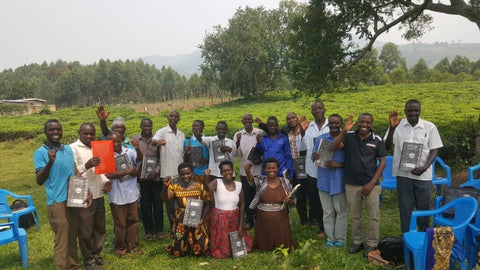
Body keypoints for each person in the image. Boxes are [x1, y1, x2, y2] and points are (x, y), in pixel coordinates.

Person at [33, 119, 88, 270]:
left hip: (73, 198)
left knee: (72, 235)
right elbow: (39, 180)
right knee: (62, 238)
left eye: (58, 129)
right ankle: (62, 267)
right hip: (57, 201)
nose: (56, 132)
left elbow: (75, 171)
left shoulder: (67, 149)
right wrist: (50, 162)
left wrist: (86, 191)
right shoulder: (40, 153)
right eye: (52, 130)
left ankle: (73, 265)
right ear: (45, 132)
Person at [384, 99, 443, 233]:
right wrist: (392, 128)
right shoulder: (396, 126)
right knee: (405, 208)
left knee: (424, 208)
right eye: (410, 110)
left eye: (416, 110)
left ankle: (423, 236)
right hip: (403, 175)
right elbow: (386, 147)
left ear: (420, 111)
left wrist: (425, 167)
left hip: (423, 175)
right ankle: (407, 235)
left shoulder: (430, 127)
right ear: (405, 111)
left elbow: (434, 149)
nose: (413, 113)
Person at [332, 113, 386, 256]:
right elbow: (334, 147)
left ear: (372, 124)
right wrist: (343, 131)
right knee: (355, 216)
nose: (364, 125)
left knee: (373, 216)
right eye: (362, 121)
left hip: (371, 185)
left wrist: (371, 183)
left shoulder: (377, 139)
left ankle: (372, 244)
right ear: (358, 123)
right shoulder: (349, 136)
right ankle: (358, 242)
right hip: (351, 183)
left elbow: (382, 162)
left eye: (368, 122)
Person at [70, 123, 111, 270]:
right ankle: (88, 259)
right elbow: (72, 173)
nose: (89, 136)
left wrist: (106, 181)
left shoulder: (97, 146)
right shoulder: (72, 148)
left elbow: (99, 170)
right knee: (85, 229)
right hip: (81, 193)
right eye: (85, 133)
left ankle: (96, 254)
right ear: (79, 133)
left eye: (91, 133)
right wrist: (86, 165)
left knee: (100, 227)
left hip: (98, 192)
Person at [160, 163, 212, 257]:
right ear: (179, 175)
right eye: (182, 174)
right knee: (180, 251)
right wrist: (165, 187)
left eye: (188, 173)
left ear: (192, 173)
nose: (185, 176)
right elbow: (165, 198)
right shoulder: (175, 187)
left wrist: (202, 218)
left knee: (203, 249)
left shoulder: (200, 187)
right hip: (182, 221)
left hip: (197, 221)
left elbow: (208, 203)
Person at [245, 158, 296, 252]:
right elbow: (252, 181)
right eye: (268, 168)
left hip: (281, 218)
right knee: (264, 245)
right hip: (263, 220)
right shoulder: (261, 180)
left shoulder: (285, 182)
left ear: (278, 169)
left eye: (274, 168)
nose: (271, 170)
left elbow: (293, 201)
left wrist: (288, 201)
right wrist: (247, 171)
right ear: (264, 169)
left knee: (283, 245)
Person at [205, 161, 253, 258]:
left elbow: (242, 204)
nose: (227, 173)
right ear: (221, 172)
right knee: (222, 249)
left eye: (229, 170)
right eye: (224, 171)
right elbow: (208, 188)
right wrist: (206, 177)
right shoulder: (217, 183)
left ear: (233, 170)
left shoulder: (239, 185)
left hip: (234, 217)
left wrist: (240, 225)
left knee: (238, 239)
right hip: (219, 218)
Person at [105, 132, 142, 257]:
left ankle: (132, 245)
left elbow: (139, 161)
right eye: (112, 142)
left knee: (133, 221)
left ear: (121, 140)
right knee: (120, 224)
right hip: (117, 196)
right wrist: (127, 171)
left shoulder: (129, 152)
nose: (115, 144)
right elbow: (107, 175)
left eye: (117, 141)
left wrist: (138, 149)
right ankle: (120, 248)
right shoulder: (106, 155)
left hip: (131, 193)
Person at [313, 114, 347, 248]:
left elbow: (352, 160)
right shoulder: (321, 139)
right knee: (327, 212)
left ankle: (340, 238)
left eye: (336, 123)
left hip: (339, 180)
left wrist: (339, 165)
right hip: (324, 180)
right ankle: (330, 238)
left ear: (341, 124)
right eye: (331, 123)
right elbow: (315, 159)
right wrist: (314, 156)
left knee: (341, 211)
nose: (333, 126)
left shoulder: (347, 139)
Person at [131, 118, 166, 241]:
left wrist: (156, 171)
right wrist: (139, 171)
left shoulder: (157, 139)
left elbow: (162, 157)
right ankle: (148, 231)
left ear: (152, 126)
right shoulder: (135, 139)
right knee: (145, 205)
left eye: (149, 126)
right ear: (140, 126)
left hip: (155, 178)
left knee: (157, 204)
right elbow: (133, 158)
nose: (147, 128)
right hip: (142, 178)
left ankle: (159, 230)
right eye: (144, 126)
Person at [297, 101, 328, 236]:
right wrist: (303, 132)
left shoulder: (331, 124)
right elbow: (302, 148)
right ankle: (322, 228)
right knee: (315, 201)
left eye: (320, 108)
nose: (318, 110)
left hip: (327, 170)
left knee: (328, 201)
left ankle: (331, 226)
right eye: (315, 109)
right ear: (312, 112)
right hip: (312, 171)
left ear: (324, 110)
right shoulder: (308, 128)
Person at [152, 110, 185, 229]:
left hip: (181, 174)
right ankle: (173, 227)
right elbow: (153, 141)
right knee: (170, 203)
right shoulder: (162, 132)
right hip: (168, 174)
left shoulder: (181, 134)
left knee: (181, 201)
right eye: (171, 116)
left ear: (178, 119)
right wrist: (157, 142)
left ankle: (181, 225)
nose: (173, 118)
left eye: (176, 116)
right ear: (167, 118)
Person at [233, 114, 264, 230]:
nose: (247, 121)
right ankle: (249, 219)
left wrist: (260, 159)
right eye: (245, 119)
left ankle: (259, 218)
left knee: (260, 195)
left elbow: (266, 148)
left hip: (259, 170)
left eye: (249, 119)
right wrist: (237, 143)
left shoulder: (260, 133)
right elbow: (235, 155)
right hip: (244, 171)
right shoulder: (238, 135)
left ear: (252, 120)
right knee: (247, 196)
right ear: (242, 121)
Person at [184, 120, 209, 184]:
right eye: (193, 126)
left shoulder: (207, 140)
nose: (194, 127)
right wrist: (186, 153)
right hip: (192, 173)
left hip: (205, 173)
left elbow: (212, 156)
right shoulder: (187, 141)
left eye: (197, 126)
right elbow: (186, 159)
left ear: (202, 127)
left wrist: (207, 160)